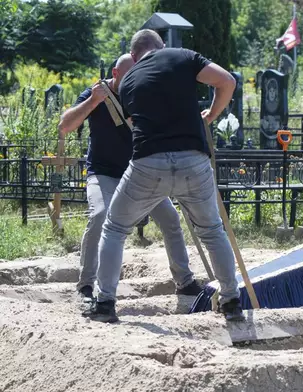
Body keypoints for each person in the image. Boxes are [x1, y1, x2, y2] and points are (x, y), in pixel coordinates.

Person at [84, 30, 243, 323]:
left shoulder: (128, 80)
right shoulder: (183, 56)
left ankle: (105, 303)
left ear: (134, 56)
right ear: (162, 47)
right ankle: (232, 300)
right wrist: (211, 115)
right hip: (193, 159)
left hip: (149, 162)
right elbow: (227, 82)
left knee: (115, 228)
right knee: (212, 230)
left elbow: (135, 121)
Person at [58, 54, 201, 303]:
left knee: (170, 219)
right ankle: (86, 285)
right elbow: (64, 126)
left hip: (139, 174)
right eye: (128, 76)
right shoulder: (95, 92)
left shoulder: (143, 94)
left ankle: (185, 281)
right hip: (103, 174)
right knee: (100, 215)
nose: (135, 80)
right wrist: (93, 101)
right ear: (115, 74)